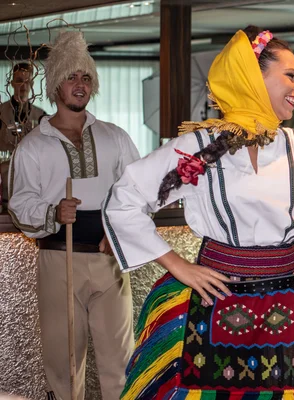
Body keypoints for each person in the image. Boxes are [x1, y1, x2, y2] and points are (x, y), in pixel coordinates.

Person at [102, 26, 294, 399]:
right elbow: (125, 198)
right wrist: (177, 265)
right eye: (290, 75)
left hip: (289, 297)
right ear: (253, 79)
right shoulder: (200, 146)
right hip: (212, 297)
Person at [8, 31, 139, 400]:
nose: (80, 85)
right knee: (63, 362)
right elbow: (20, 203)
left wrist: (120, 234)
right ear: (55, 86)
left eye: (86, 78)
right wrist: (53, 211)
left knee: (121, 363)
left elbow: (138, 192)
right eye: (71, 77)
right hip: (58, 258)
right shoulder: (33, 145)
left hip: (109, 258)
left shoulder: (115, 137)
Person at [0, 63, 47, 204]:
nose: (23, 85)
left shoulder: (41, 116)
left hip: (32, 183)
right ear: (12, 83)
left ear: (32, 84)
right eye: (19, 80)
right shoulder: (0, 112)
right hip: (4, 182)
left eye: (27, 81)